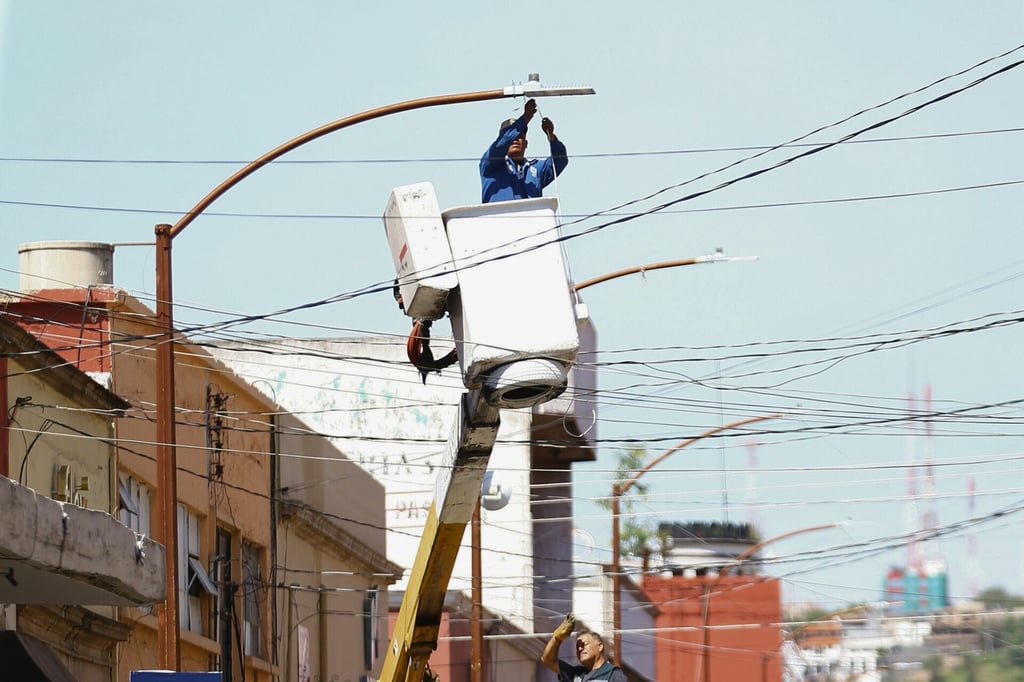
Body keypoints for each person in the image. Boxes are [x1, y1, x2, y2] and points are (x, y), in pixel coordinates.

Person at [480, 97, 568, 203]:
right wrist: (525, 118)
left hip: (529, 219)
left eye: (520, 135)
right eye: (512, 135)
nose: (515, 138)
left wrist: (552, 137)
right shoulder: (490, 164)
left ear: (526, 144)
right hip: (499, 219)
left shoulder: (536, 169)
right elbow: (499, 145)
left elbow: (560, 161)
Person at [540, 613, 627, 682]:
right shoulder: (575, 674)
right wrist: (558, 638)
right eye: (577, 647)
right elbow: (547, 660)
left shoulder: (613, 674)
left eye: (584, 644)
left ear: (600, 646)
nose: (580, 649)